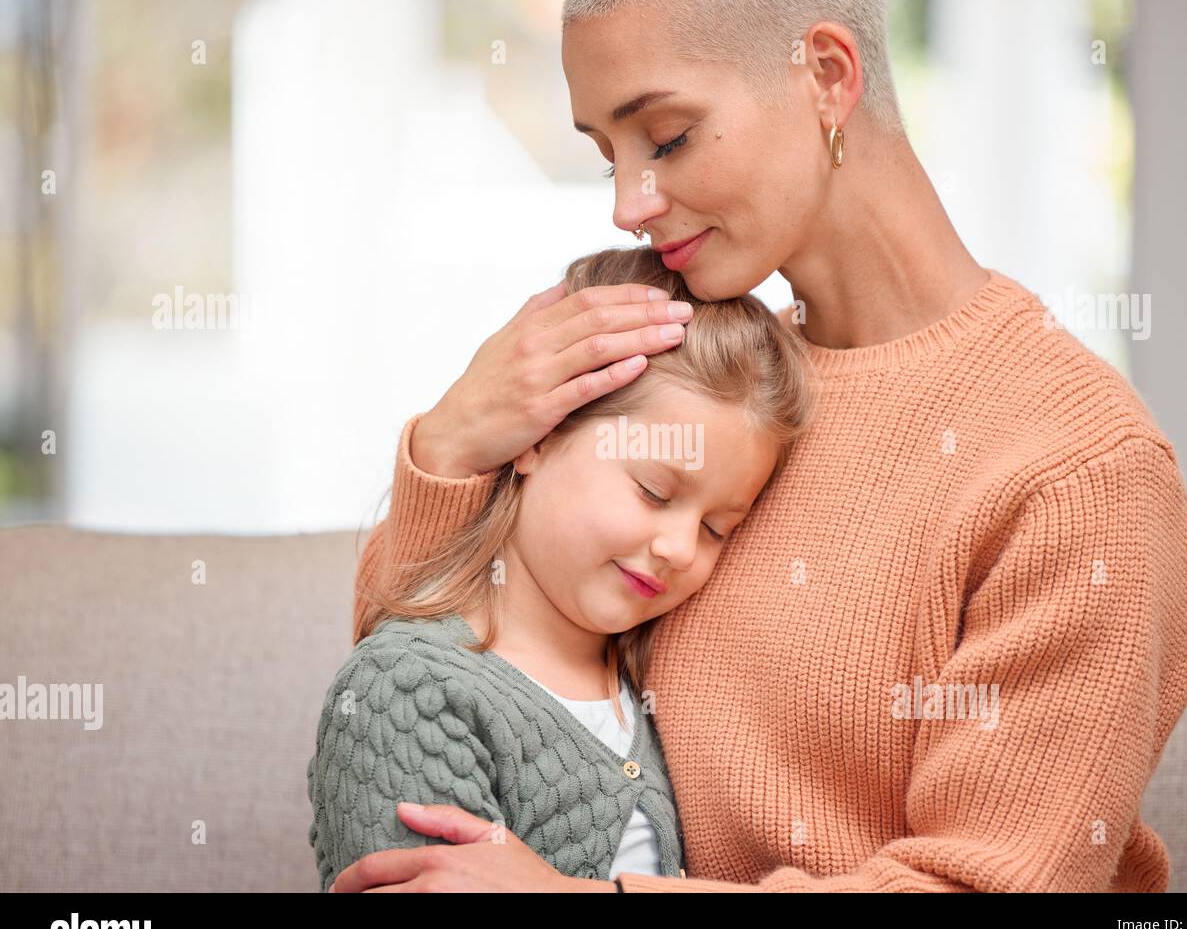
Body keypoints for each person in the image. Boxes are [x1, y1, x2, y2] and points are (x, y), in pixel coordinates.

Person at [329, 0, 1187, 893]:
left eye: (664, 138)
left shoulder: (1080, 471)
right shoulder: (717, 394)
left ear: (826, 77)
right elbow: (406, 680)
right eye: (607, 159)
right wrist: (450, 444)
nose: (631, 207)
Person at [309, 244, 817, 891]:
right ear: (538, 440)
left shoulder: (643, 685)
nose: (682, 549)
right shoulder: (406, 688)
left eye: (718, 528)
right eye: (654, 493)